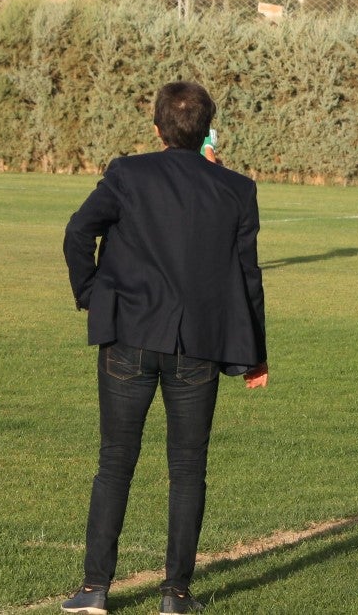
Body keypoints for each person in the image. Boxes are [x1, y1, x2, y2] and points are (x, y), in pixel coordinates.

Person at [61, 81, 268, 615]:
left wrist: (93, 295)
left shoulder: (127, 173)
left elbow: (79, 232)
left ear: (156, 127)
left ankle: (93, 590)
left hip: (129, 335)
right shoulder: (236, 188)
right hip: (196, 346)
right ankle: (175, 596)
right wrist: (255, 354)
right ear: (206, 131)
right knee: (187, 469)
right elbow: (249, 277)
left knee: (115, 463)